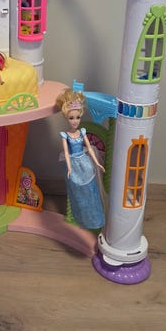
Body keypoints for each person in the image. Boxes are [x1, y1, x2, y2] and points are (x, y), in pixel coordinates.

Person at [56, 89, 105, 230]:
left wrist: (97, 163)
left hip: (85, 162)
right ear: (67, 118)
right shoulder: (65, 135)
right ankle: (81, 219)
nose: (75, 121)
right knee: (78, 193)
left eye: (77, 117)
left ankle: (95, 220)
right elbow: (66, 152)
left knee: (91, 191)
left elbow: (89, 148)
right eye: (71, 118)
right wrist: (69, 167)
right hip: (74, 163)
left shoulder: (82, 132)